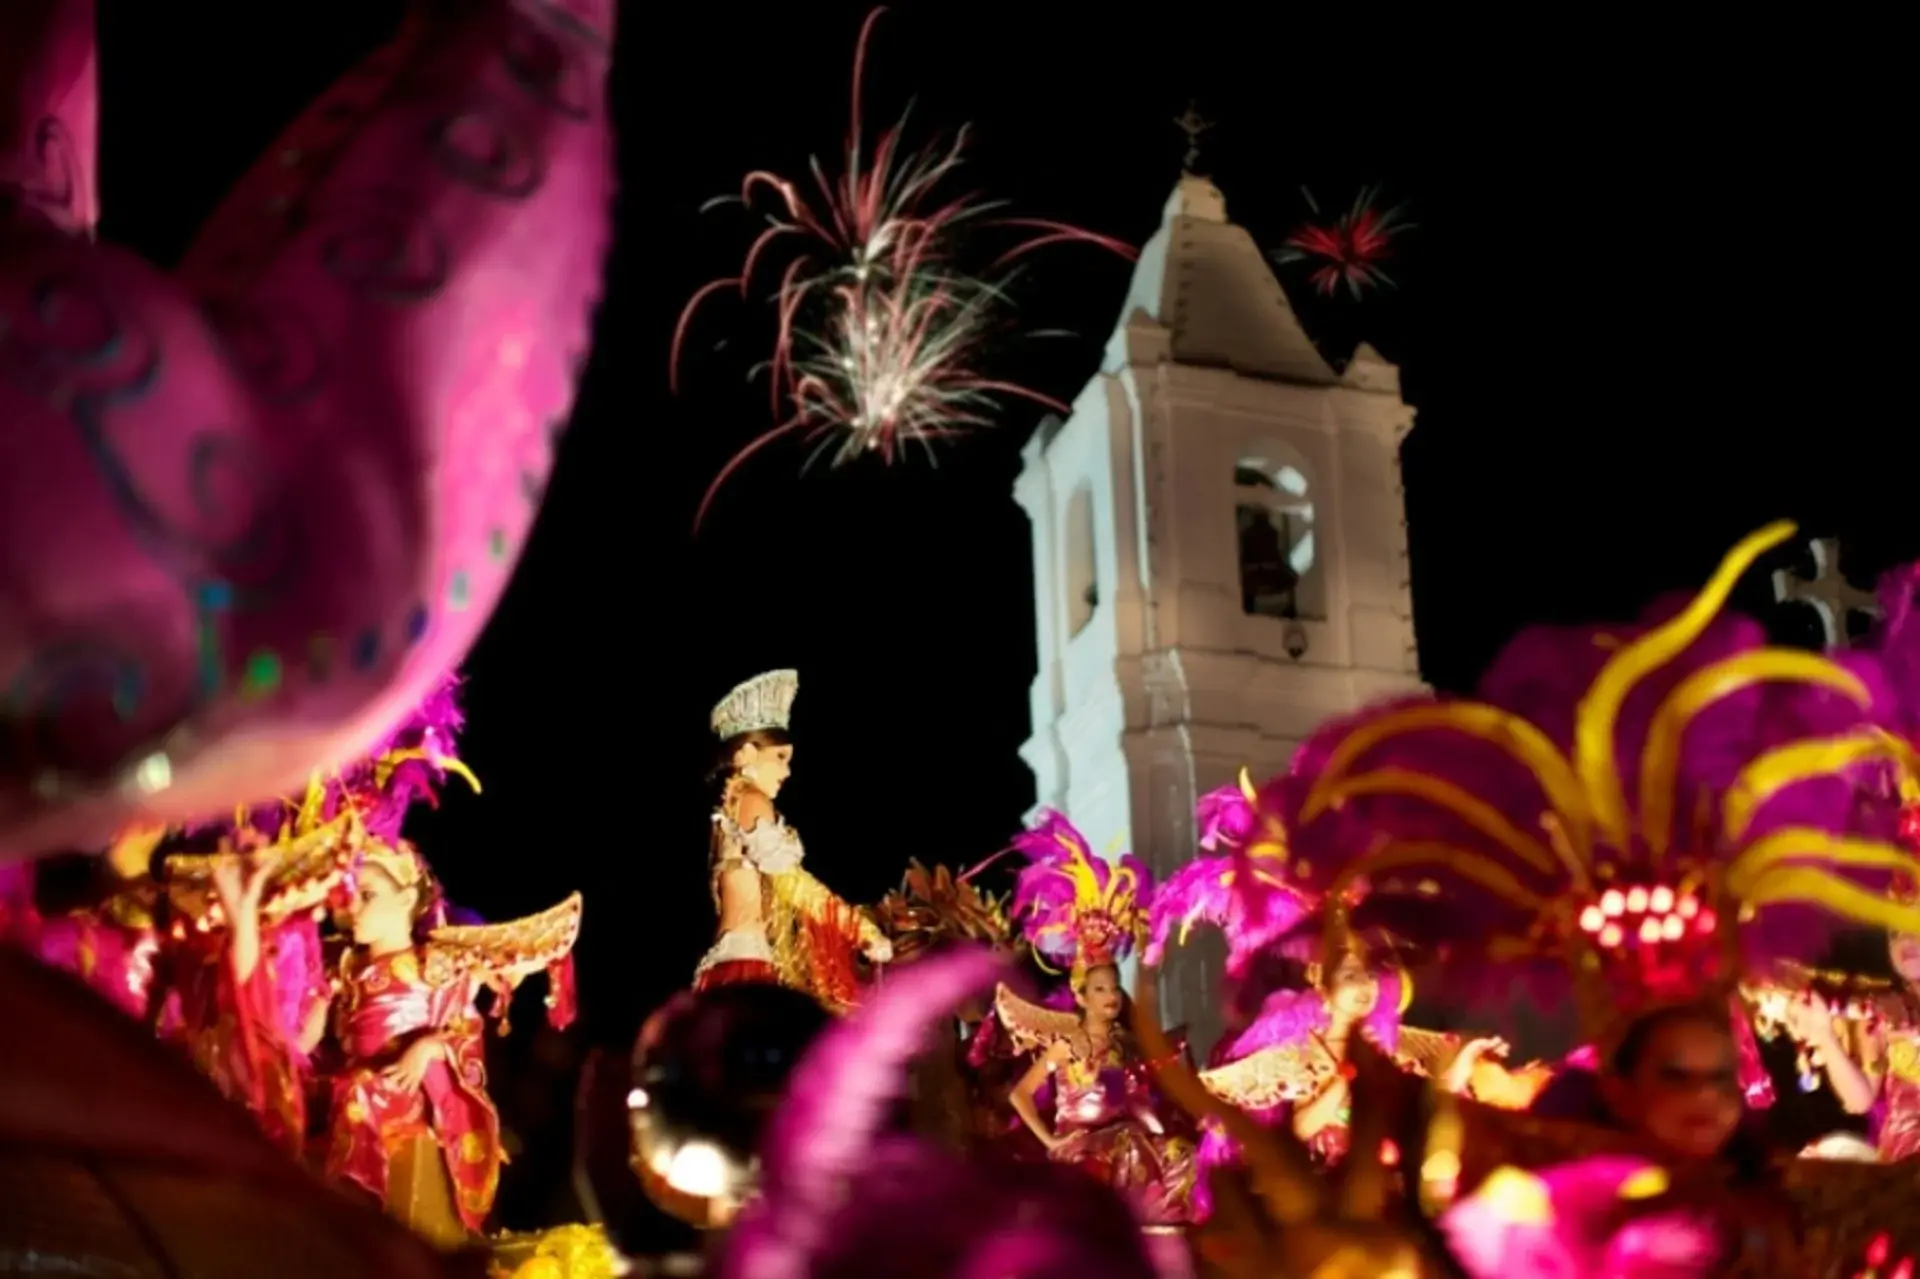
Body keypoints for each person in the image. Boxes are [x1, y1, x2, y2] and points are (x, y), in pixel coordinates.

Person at [1203, 522, 1920, 1270]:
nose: (1706, 1098)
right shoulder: (1530, 1212)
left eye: (1716, 1076)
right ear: (1619, 1081)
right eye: (1677, 1075)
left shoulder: (1783, 1207)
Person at [316, 832, 580, 1247]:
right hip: (349, 1082)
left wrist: (425, 1049)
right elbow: (308, 1038)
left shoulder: (433, 964)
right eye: (347, 896)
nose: (353, 907)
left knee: (358, 1096)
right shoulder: (341, 966)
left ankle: (360, 1210)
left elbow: (463, 1028)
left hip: (401, 1089)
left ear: (406, 899)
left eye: (367, 895)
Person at [993, 810, 1197, 1227]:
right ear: (1081, 996)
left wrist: (1166, 1139)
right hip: (1083, 1146)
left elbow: (1136, 1105)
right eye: (1100, 989)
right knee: (1127, 1149)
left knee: (1181, 1155)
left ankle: (1156, 1237)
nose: (1110, 997)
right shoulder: (1066, 1044)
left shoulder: (1123, 1044)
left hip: (1125, 1140)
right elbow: (1020, 1095)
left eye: (1114, 988)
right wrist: (1052, 1141)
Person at [696, 669, 890, 1011]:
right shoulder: (751, 798)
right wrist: (860, 930)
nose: (786, 771)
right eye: (780, 757)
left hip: (739, 963)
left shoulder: (732, 805)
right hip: (746, 970)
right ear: (745, 754)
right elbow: (791, 882)